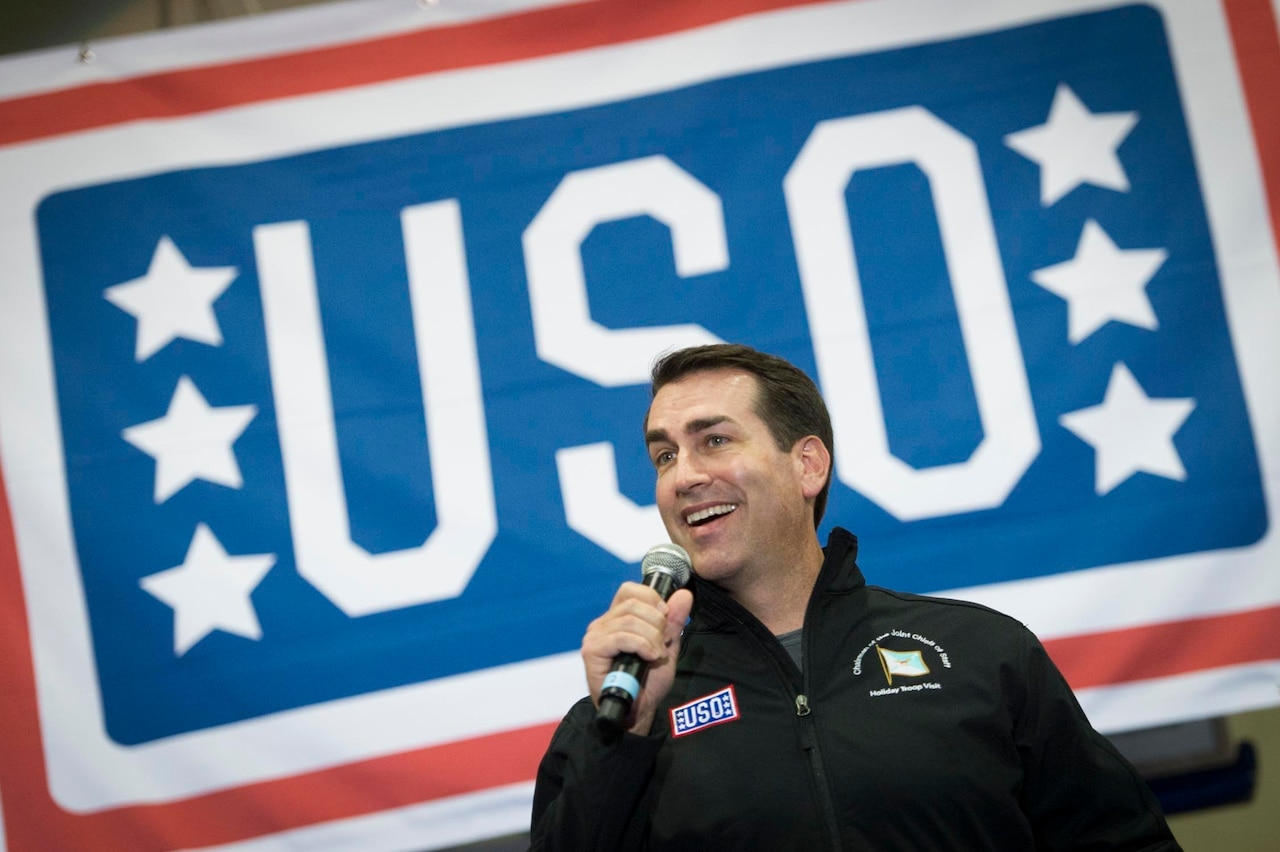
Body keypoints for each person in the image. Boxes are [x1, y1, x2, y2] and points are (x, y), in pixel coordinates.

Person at [530, 343, 1180, 851]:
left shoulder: (982, 652)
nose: (685, 476)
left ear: (808, 465)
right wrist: (625, 740)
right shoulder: (619, 716)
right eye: (664, 456)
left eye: (715, 440)